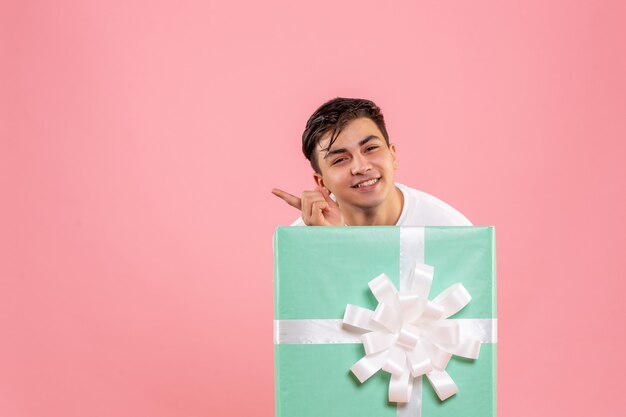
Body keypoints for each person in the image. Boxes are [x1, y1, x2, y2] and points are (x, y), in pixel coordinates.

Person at [272, 97, 471, 226]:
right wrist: (331, 242)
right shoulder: (304, 237)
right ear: (322, 183)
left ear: (393, 155)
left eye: (370, 149)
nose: (361, 167)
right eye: (341, 159)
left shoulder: (450, 229)